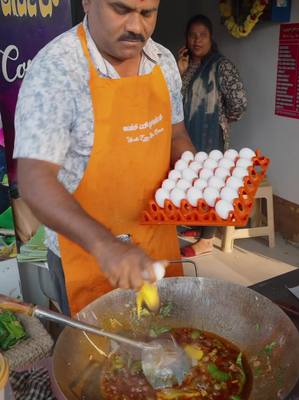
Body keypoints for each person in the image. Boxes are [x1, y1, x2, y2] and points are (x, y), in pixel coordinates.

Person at [14, 0, 195, 316]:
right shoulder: (57, 69)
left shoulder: (163, 61)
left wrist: (195, 175)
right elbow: (34, 179)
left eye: (147, 13)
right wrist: (106, 246)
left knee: (166, 343)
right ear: (87, 2)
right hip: (88, 251)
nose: (136, 28)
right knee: (99, 357)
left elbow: (176, 135)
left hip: (157, 242)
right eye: (121, 10)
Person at [177, 14, 247, 258]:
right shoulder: (187, 65)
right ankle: (198, 225)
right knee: (191, 180)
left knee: (211, 183)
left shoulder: (221, 65)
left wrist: (222, 119)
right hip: (186, 133)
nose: (197, 40)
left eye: (202, 35)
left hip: (210, 137)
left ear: (211, 38)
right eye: (192, 35)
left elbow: (239, 102)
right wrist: (180, 72)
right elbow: (174, 100)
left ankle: (207, 239)